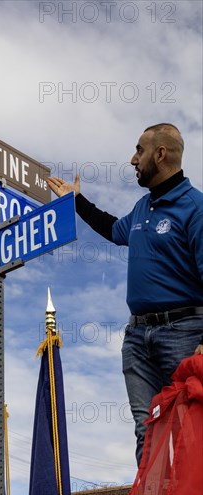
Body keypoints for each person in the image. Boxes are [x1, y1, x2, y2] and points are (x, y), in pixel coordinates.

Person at [48, 123, 203, 465]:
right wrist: (76, 201)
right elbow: (112, 228)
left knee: (192, 430)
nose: (133, 159)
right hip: (137, 338)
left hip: (185, 334)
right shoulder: (141, 208)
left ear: (160, 154)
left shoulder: (196, 207)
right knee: (147, 431)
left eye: (140, 150)